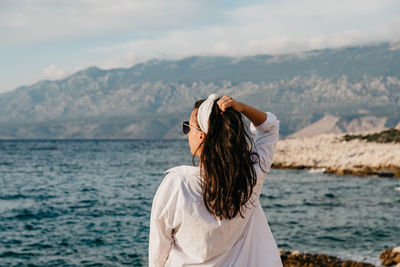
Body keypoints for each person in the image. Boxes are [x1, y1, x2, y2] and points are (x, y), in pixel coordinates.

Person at [149, 94, 282, 267]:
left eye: (187, 127)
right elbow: (269, 128)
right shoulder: (249, 177)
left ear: (201, 136)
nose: (186, 133)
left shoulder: (177, 185)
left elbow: (158, 256)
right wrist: (240, 107)